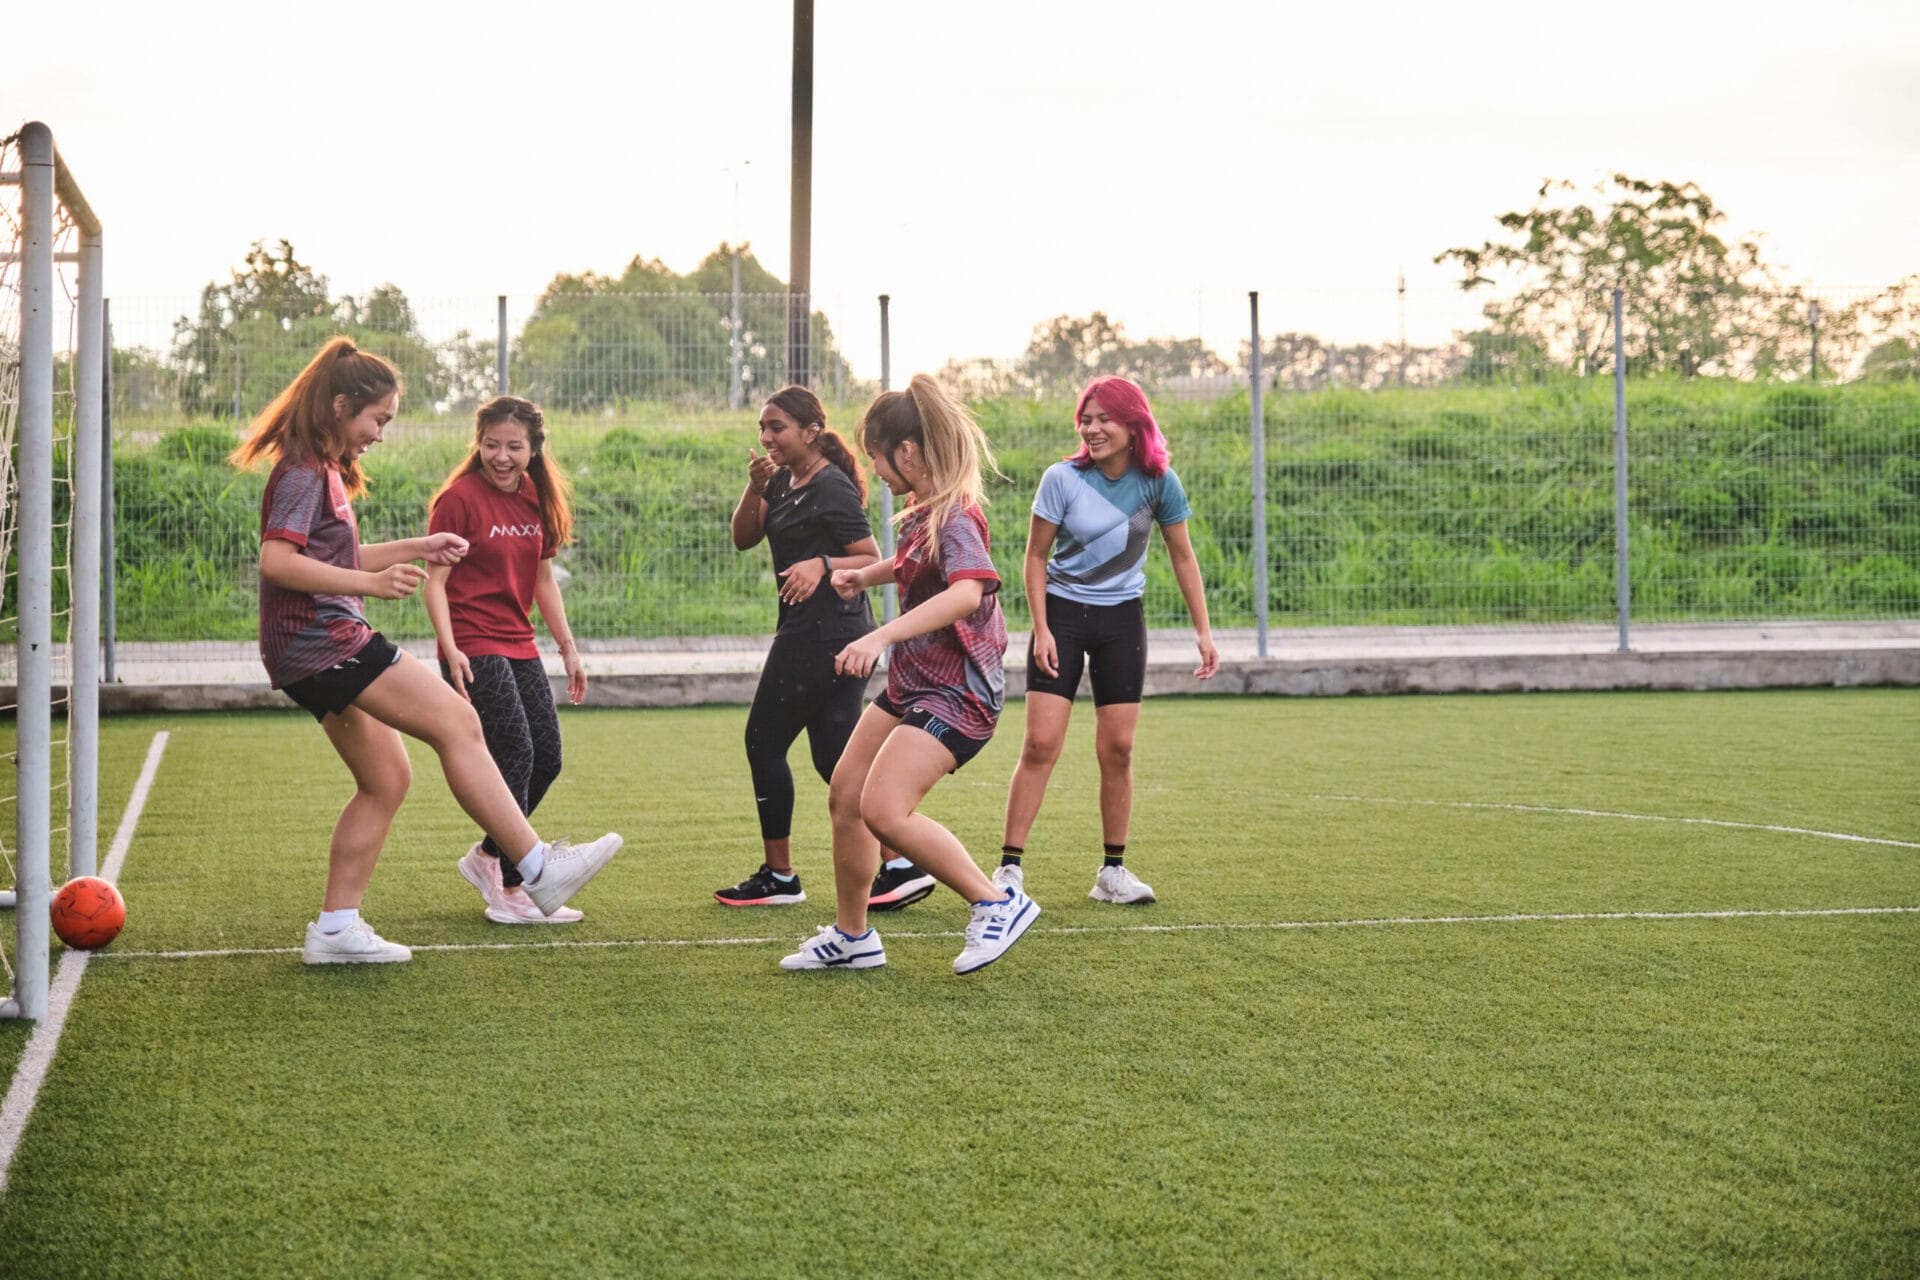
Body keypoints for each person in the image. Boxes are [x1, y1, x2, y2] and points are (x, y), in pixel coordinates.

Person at [230, 337, 622, 965]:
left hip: (309, 648)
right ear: (340, 406)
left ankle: (335, 929)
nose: (380, 434)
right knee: (459, 723)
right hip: (325, 641)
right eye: (377, 419)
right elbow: (278, 562)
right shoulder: (303, 470)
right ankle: (534, 866)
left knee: (387, 779)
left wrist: (419, 546)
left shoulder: (324, 470)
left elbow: (335, 555)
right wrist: (372, 586)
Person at [779, 374, 1040, 976]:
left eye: (877, 456)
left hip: (958, 695)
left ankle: (996, 902)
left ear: (908, 451)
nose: (875, 470)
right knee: (847, 794)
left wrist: (879, 635)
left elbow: (967, 592)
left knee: (884, 810)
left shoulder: (956, 516)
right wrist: (863, 576)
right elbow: (914, 563)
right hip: (916, 685)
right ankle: (853, 937)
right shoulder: (925, 514)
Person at [996, 376, 1219, 906]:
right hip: (1062, 617)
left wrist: (1203, 631)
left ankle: (1112, 874)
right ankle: (1008, 870)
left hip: (1121, 620)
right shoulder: (1062, 478)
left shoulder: (1159, 482)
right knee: (1040, 744)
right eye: (1086, 419)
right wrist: (1042, 628)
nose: (1091, 429)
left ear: (1134, 425)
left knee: (1118, 749)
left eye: (1104, 419)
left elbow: (1182, 556)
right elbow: (1034, 557)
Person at [720, 386, 937, 912]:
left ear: (812, 431)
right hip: (821, 632)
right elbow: (743, 537)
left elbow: (869, 555)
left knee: (763, 742)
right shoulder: (782, 480)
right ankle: (901, 863)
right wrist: (754, 487)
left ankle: (780, 877)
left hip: (824, 633)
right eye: (762, 428)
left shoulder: (831, 485)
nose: (766, 437)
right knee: (835, 758)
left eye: (777, 427)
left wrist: (821, 564)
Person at [424, 395, 592, 925]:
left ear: (533, 449)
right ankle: (514, 888)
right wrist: (449, 646)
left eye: (514, 447)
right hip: (472, 640)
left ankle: (488, 855)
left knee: (547, 758)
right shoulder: (458, 500)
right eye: (491, 445)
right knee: (514, 752)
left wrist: (568, 648)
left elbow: (542, 580)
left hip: (519, 641)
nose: (501, 456)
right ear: (478, 444)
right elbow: (435, 582)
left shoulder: (536, 499)